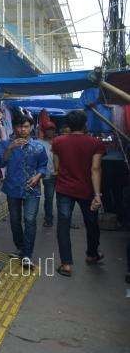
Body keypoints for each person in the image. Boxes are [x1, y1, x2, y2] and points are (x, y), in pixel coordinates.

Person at [52, 110, 106, 277]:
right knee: (91, 223)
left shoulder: (58, 141)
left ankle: (66, 264)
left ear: (67, 125)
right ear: (85, 124)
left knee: (63, 225)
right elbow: (95, 169)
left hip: (64, 189)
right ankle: (92, 254)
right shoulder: (95, 143)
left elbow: (56, 167)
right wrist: (97, 195)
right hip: (87, 190)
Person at [0, 114, 47, 268]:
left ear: (31, 127)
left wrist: (38, 176)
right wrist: (10, 148)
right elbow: (0, 162)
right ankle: (20, 247)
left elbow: (43, 166)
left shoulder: (38, 146)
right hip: (12, 188)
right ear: (15, 127)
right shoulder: (5, 144)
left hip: (32, 189)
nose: (22, 129)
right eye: (19, 126)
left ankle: (27, 255)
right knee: (15, 221)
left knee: (30, 220)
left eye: (26, 126)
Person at [36, 123, 57, 228]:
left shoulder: (59, 142)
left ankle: (66, 220)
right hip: (48, 174)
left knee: (64, 199)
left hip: (61, 175)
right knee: (49, 198)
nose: (50, 132)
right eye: (48, 129)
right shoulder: (39, 143)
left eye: (52, 129)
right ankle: (48, 219)